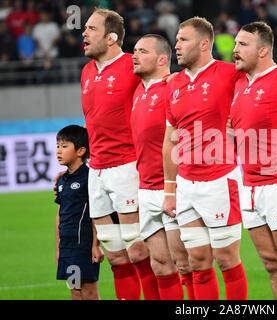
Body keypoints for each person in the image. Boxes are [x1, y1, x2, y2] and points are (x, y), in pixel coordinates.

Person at [162, 16, 247, 300]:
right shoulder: (173, 85)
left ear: (204, 43)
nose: (176, 45)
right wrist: (170, 190)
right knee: (197, 262)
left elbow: (268, 87)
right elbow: (170, 140)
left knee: (226, 259)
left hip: (220, 179)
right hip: (186, 183)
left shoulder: (231, 73)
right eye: (176, 40)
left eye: (183, 40)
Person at [80, 7, 157, 300]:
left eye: (91, 29)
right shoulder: (86, 71)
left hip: (127, 167)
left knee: (138, 251)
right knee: (115, 256)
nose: (83, 34)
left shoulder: (133, 65)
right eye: (84, 28)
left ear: (111, 37)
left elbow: (166, 91)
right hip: (96, 170)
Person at [230, 21, 277, 300]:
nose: (234, 50)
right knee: (272, 266)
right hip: (248, 186)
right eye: (235, 44)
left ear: (263, 51)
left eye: (242, 45)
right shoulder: (237, 82)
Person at [130, 33, 194, 300]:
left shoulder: (174, 86)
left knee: (185, 264)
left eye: (142, 51)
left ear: (162, 59)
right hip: (146, 188)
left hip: (173, 187)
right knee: (160, 265)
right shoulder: (137, 91)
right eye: (134, 50)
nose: (134, 55)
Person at [55, 125, 103, 300]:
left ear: (81, 151)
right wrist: (58, 248)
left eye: (64, 146)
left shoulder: (89, 178)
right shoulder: (61, 180)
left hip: (83, 246)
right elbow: (59, 215)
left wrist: (95, 245)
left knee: (89, 292)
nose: (59, 151)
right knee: (75, 292)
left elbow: (97, 212)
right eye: (57, 146)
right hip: (67, 247)